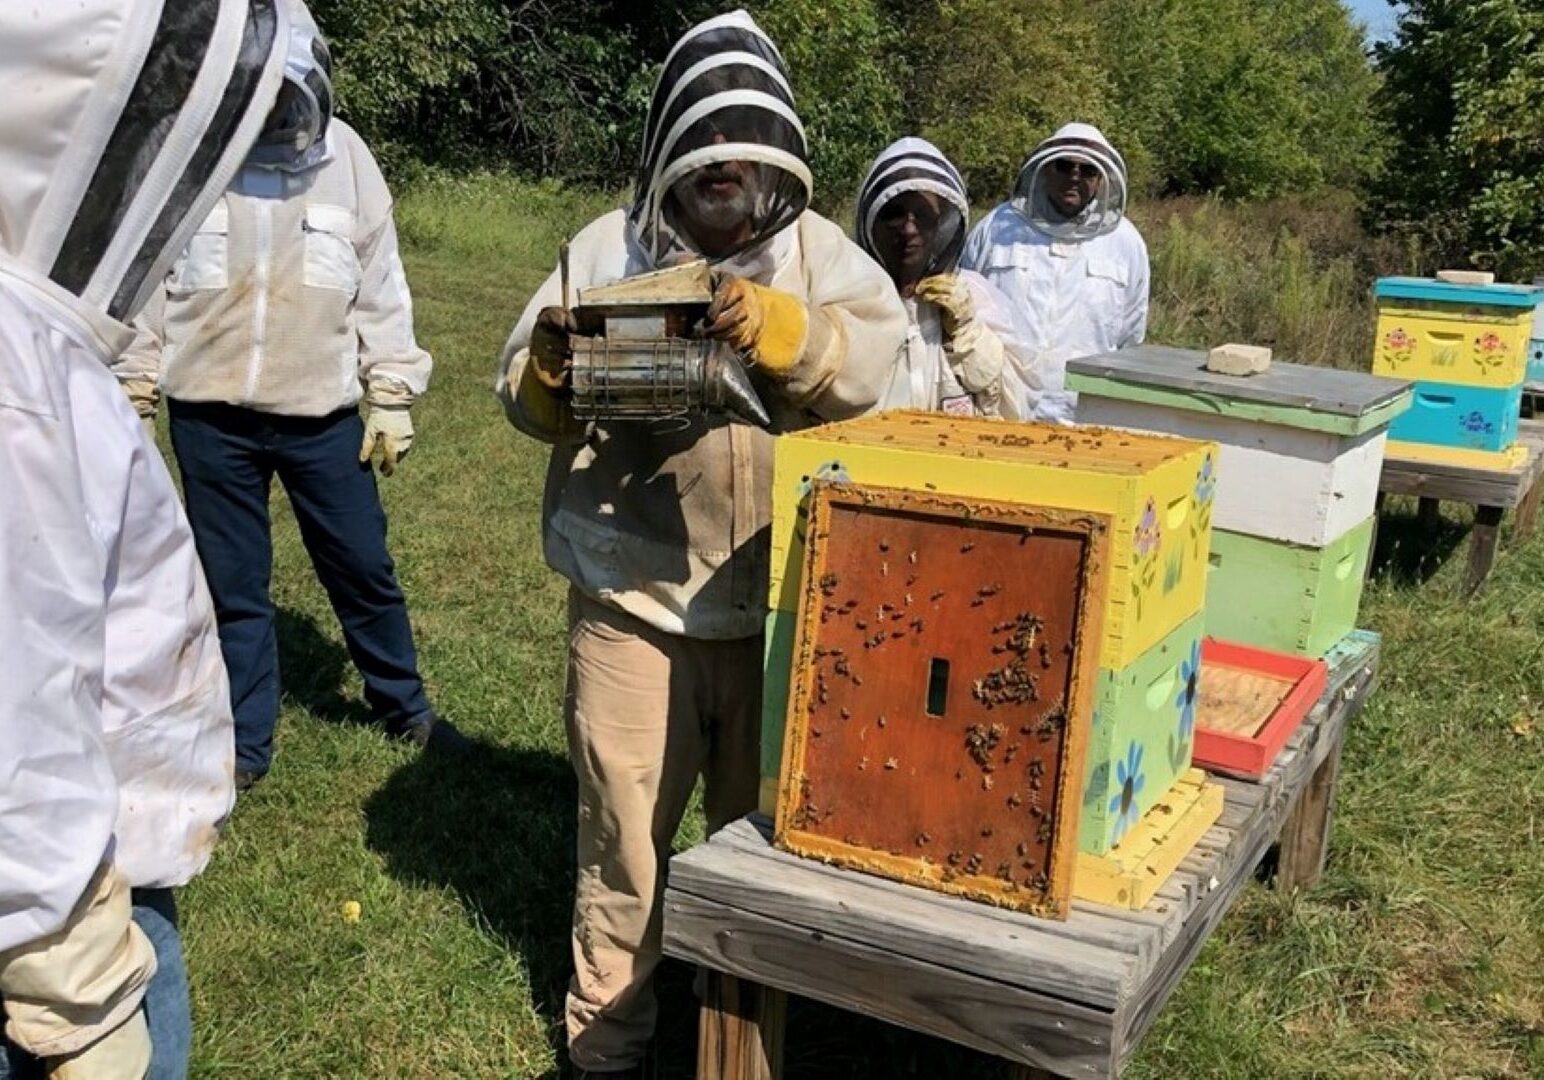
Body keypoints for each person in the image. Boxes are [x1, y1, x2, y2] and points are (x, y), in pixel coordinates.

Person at [495, 10, 907, 1075]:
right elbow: (520, 395)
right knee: (623, 836)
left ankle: (739, 1042)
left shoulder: (829, 261)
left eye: (741, 152)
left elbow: (875, 378)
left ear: (776, 153)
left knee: (757, 848)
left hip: (785, 604)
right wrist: (549, 364)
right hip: (632, 598)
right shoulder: (602, 247)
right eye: (704, 152)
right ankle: (606, 1038)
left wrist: (780, 328)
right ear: (669, 149)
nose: (722, 170)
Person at [0, 1, 297, 1075]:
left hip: (79, 872)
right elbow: (10, 702)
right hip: (62, 911)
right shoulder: (12, 367)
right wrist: (76, 988)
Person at [114, 10, 468, 793]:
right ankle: (243, 743)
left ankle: (403, 707)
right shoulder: (194, 160)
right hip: (210, 417)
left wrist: (391, 392)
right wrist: (135, 386)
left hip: (323, 417)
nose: (273, 112)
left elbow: (380, 286)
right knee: (232, 587)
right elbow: (145, 285)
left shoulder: (349, 162)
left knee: (362, 565)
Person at [960, 122, 1150, 423]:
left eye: (1088, 170)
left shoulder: (1125, 243)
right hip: (1001, 406)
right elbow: (964, 310)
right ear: (1046, 169)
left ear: (1101, 179)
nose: (1074, 177)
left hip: (1083, 414)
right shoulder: (997, 228)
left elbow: (1130, 332)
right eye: (1064, 166)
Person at [855, 137, 1036, 417]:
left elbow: (1012, 409)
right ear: (872, 218)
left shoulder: (973, 295)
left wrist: (968, 336)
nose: (908, 230)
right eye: (894, 214)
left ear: (942, 225)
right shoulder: (847, 292)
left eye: (924, 216)